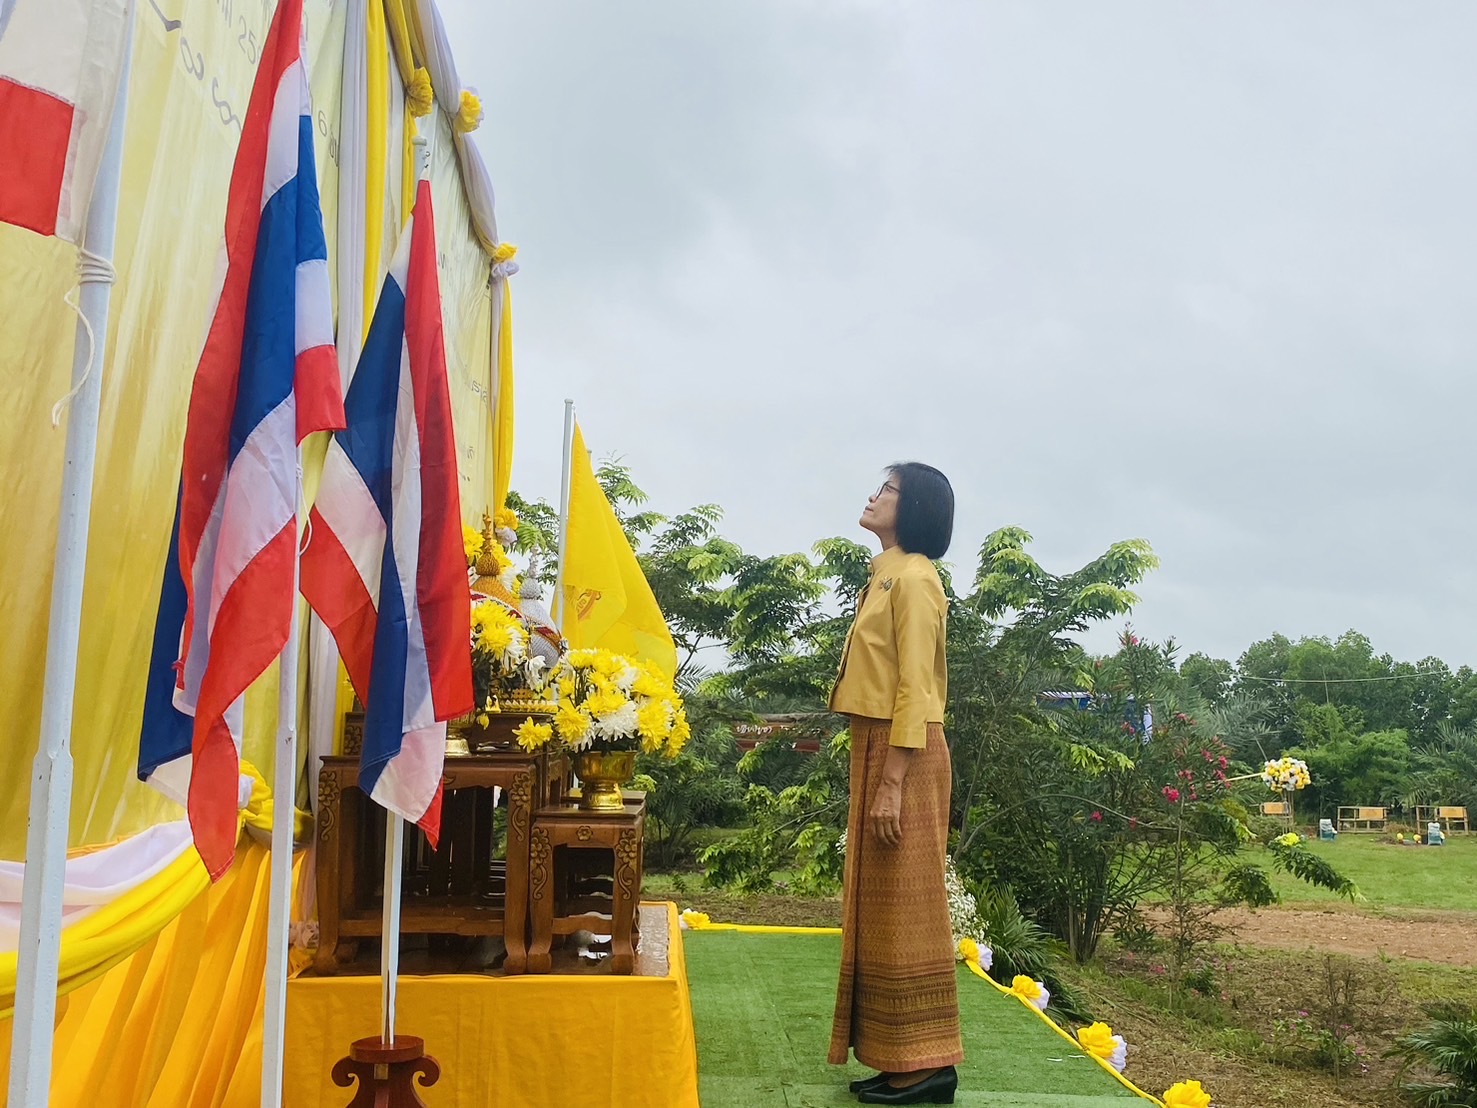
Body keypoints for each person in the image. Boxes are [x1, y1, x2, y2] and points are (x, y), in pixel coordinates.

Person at [827, 463, 963, 1105]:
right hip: (878, 745)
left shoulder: (915, 578)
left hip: (904, 752)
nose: (873, 495)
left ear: (914, 509)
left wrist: (893, 782)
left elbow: (917, 685)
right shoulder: (887, 572)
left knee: (910, 908)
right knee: (881, 910)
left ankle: (930, 1065)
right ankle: (896, 1056)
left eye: (887, 489)